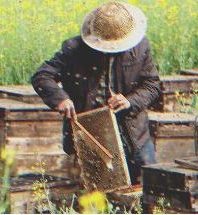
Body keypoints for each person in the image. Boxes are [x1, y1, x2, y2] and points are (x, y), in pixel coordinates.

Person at [31, 1, 161, 183]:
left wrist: (130, 101)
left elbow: (152, 85)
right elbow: (42, 75)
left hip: (134, 136)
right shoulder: (73, 48)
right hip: (91, 135)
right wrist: (60, 99)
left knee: (148, 191)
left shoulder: (141, 47)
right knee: (97, 196)